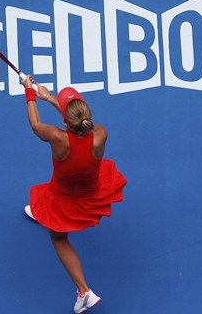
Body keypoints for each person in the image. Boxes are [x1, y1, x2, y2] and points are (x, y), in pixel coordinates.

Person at [21, 76, 127, 313]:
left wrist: (29, 93)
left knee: (59, 238)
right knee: (48, 192)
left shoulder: (59, 139)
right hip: (90, 193)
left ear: (67, 120)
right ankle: (42, 213)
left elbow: (36, 126)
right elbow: (76, 124)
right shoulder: (100, 133)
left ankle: (84, 292)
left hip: (65, 200)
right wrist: (48, 97)